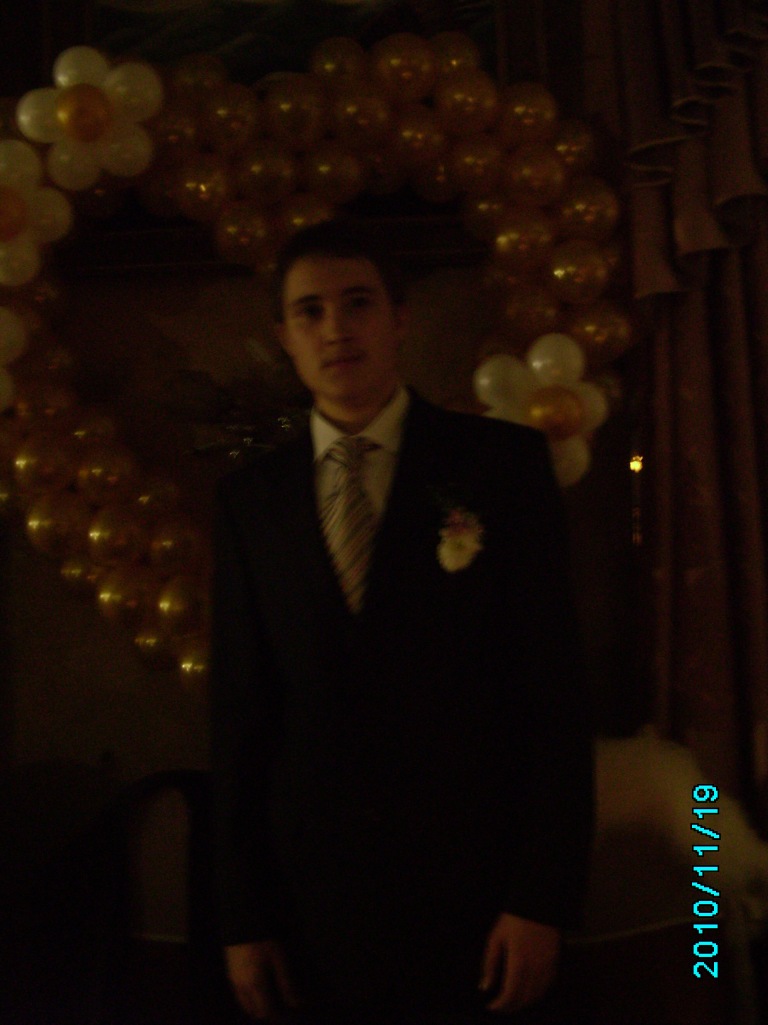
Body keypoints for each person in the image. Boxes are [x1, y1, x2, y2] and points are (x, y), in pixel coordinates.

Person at [208, 218, 594, 1025]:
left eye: (358, 303)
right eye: (310, 311)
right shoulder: (251, 500)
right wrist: (242, 917)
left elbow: (554, 695)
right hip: (313, 900)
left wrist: (541, 897)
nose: (335, 329)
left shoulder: (501, 466)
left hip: (477, 885)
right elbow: (241, 716)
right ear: (284, 335)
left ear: (399, 318)